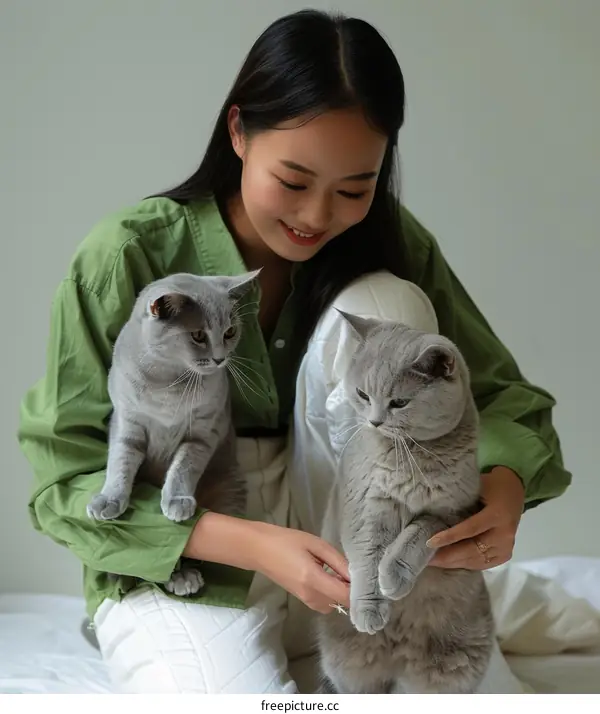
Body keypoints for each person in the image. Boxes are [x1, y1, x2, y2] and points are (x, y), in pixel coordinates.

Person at [18, 9, 571, 694]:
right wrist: (256, 546)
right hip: (194, 538)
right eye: (294, 180)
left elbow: (505, 401)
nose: (316, 217)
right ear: (238, 132)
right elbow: (62, 480)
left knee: (389, 311)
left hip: (356, 533)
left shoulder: (393, 244)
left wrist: (503, 495)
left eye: (354, 189)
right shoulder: (128, 255)